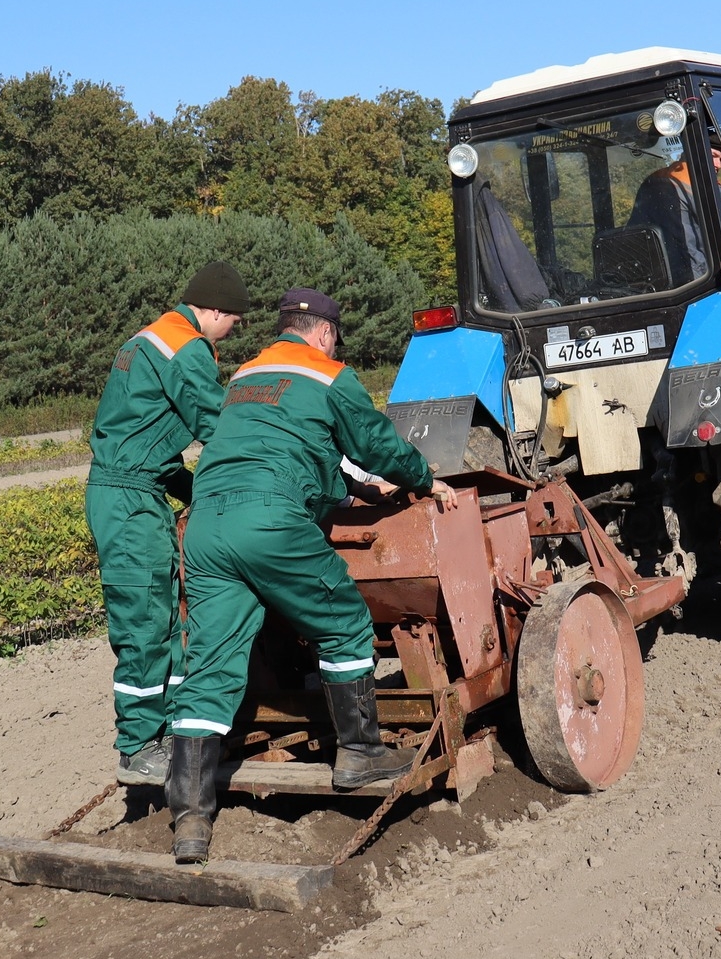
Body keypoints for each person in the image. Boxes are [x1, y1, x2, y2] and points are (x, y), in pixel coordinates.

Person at [164, 288, 457, 863]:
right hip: (270, 520)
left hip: (205, 528)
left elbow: (287, 453)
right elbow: (376, 445)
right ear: (324, 332)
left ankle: (191, 821)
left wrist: (349, 488)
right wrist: (423, 479)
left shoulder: (246, 377)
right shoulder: (327, 374)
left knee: (212, 664)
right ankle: (359, 752)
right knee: (343, 620)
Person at [84, 261, 248, 788]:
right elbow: (216, 423)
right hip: (129, 501)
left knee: (167, 615)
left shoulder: (149, 339)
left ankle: (176, 730)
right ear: (216, 310)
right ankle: (137, 747)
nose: (234, 331)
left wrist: (198, 491)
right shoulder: (185, 347)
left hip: (134, 490)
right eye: (235, 321)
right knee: (144, 622)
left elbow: (150, 445)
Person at [627, 127, 721, 283]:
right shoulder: (698, 183)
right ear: (694, 154)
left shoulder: (656, 179)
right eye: (714, 156)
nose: (719, 165)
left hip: (651, 276)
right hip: (695, 275)